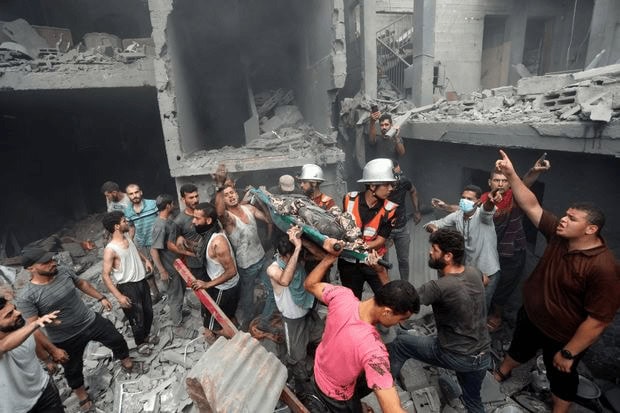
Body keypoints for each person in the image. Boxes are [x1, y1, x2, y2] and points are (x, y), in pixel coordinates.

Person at [492, 150, 620, 413]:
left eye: (572, 218)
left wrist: (570, 352)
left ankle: (559, 410)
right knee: (518, 348)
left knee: (561, 377)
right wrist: (511, 174)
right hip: (532, 316)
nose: (563, 219)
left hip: (562, 335)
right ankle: (502, 372)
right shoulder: (559, 235)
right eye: (565, 214)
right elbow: (531, 205)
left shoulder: (604, 267)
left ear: (591, 229)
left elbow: (598, 320)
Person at [15, 248, 140, 413]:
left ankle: (126, 361)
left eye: (52, 259)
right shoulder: (27, 297)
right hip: (65, 337)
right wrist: (51, 352)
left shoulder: (63, 271)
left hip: (89, 320)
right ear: (30, 268)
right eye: (45, 262)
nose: (53, 263)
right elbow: (34, 328)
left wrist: (101, 297)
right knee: (72, 369)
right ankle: (82, 396)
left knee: (116, 339)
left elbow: (81, 283)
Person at [304, 239, 420, 412]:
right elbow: (392, 410)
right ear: (387, 312)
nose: (399, 323)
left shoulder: (341, 296)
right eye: (400, 318)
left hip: (319, 373)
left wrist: (330, 257)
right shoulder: (373, 350)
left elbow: (310, 284)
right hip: (337, 398)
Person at [388, 229, 491, 413]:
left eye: (435, 249)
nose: (430, 252)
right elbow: (486, 280)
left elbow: (402, 303)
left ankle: (384, 389)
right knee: (473, 401)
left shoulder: (437, 287)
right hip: (482, 357)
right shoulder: (474, 272)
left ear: (448, 256)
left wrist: (381, 271)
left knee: (400, 343)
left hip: (456, 355)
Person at [484, 156, 550, 331]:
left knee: (504, 286)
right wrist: (447, 208)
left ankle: (496, 316)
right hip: (489, 251)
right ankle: (481, 312)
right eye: (497, 180)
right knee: (485, 283)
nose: (500, 184)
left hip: (511, 252)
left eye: (505, 180)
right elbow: (468, 210)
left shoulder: (514, 198)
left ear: (510, 184)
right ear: (490, 182)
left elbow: (525, 183)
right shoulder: (484, 200)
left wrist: (534, 171)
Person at [214, 166, 276, 334]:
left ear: (237, 193)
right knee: (247, 300)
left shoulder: (249, 208)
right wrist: (219, 186)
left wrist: (263, 198)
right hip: (246, 266)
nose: (231, 196)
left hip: (262, 259)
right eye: (226, 195)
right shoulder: (228, 219)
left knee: (273, 290)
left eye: (232, 193)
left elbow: (268, 219)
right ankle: (246, 325)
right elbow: (219, 213)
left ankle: (264, 320)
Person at [266, 227, 323, 395]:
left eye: (290, 256)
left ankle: (319, 369)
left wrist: (301, 242)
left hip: (308, 312)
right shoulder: (273, 268)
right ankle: (301, 386)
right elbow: (285, 280)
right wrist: (297, 250)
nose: (287, 259)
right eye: (285, 256)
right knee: (296, 358)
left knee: (322, 338)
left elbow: (322, 257)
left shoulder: (298, 259)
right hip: (293, 321)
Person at [425, 184, 500, 309]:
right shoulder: (457, 215)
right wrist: (434, 229)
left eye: (469, 199)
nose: (465, 201)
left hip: (488, 271)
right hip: (470, 272)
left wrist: (490, 200)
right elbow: (431, 224)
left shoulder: (482, 216)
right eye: (463, 198)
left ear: (478, 202)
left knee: (481, 309)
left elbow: (487, 209)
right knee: (467, 307)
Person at [338, 158, 397, 299]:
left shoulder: (390, 209)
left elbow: (381, 240)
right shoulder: (349, 199)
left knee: (385, 299)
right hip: (349, 263)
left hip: (373, 262)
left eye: (391, 185)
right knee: (352, 301)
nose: (390, 188)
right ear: (372, 186)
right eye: (386, 185)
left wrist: (360, 246)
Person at [101, 211, 156, 356]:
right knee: (137, 318)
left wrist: (146, 260)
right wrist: (119, 296)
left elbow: (135, 250)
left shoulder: (127, 238)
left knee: (148, 311)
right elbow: (105, 276)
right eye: (124, 221)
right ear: (117, 226)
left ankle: (146, 336)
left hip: (141, 281)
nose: (127, 222)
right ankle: (140, 343)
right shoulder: (110, 249)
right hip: (127, 286)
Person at [0, 298, 64, 413]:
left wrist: (47, 359)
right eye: (9, 314)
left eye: (14, 309)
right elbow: (3, 346)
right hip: (15, 409)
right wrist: (36, 324)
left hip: (44, 392)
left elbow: (32, 334)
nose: (18, 313)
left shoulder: (19, 324)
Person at [189, 202, 240, 342]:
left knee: (213, 325)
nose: (193, 221)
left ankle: (238, 340)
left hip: (223, 289)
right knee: (227, 315)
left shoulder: (217, 243)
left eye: (197, 218)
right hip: (225, 286)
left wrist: (207, 284)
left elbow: (231, 271)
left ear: (208, 220)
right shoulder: (212, 232)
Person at [151, 194, 194, 326]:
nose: (174, 206)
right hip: (169, 267)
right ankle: (177, 323)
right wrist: (162, 270)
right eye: (172, 204)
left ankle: (179, 313)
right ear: (168, 205)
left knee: (180, 290)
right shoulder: (160, 225)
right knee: (175, 294)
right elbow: (154, 250)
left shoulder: (168, 221)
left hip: (176, 264)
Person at [124, 184, 161, 302]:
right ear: (128, 196)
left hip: (158, 242)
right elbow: (131, 227)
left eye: (136, 192)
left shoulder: (153, 204)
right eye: (131, 194)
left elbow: (162, 219)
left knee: (164, 267)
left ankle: (172, 294)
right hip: (142, 244)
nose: (134, 196)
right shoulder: (127, 211)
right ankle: (156, 295)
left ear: (141, 192)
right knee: (148, 271)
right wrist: (129, 241)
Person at [387, 160, 421, 282]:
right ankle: (385, 286)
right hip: (384, 230)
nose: (398, 178)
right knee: (382, 261)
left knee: (403, 260)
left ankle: (405, 285)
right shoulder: (380, 185)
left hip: (401, 228)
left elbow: (413, 191)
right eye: (395, 175)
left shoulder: (403, 181)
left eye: (400, 174)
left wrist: (416, 211)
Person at [174, 184, 208, 283]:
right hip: (196, 265)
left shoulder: (206, 212)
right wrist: (180, 238)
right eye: (191, 198)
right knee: (203, 290)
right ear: (183, 200)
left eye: (196, 196)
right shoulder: (179, 221)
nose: (195, 200)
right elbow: (173, 245)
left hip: (212, 260)